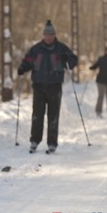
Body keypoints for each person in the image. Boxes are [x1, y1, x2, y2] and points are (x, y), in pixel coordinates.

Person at [17, 20, 78, 154]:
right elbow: (27, 61)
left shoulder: (61, 48)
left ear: (54, 35)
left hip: (55, 86)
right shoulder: (36, 49)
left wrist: (70, 62)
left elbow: (73, 59)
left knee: (53, 115)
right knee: (37, 115)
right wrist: (22, 68)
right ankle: (35, 141)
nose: (48, 37)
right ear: (43, 35)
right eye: (46, 35)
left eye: (50, 35)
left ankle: (52, 143)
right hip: (38, 85)